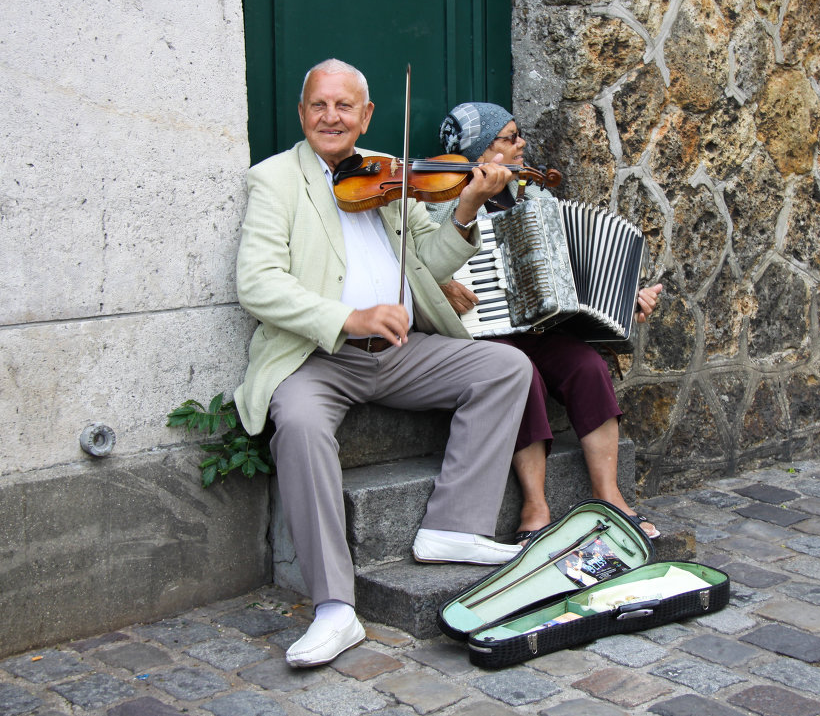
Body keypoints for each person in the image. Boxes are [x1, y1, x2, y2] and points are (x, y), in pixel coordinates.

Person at [233, 60, 534, 668]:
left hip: (399, 354)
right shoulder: (275, 180)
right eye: (319, 105)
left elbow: (433, 259)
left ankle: (452, 526)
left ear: (366, 115)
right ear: (302, 113)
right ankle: (334, 608)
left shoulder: (390, 174)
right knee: (298, 422)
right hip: (317, 356)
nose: (331, 117)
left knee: (505, 368)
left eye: (345, 106)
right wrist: (349, 318)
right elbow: (256, 283)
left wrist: (468, 206)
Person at [432, 102, 663, 543]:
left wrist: (623, 297)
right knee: (522, 379)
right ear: (480, 151)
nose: (522, 144)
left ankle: (609, 496)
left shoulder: (535, 197)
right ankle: (535, 506)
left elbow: (577, 269)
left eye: (518, 136)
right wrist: (440, 284)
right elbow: (417, 260)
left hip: (539, 328)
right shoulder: (441, 201)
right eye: (510, 137)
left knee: (589, 367)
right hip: (484, 333)